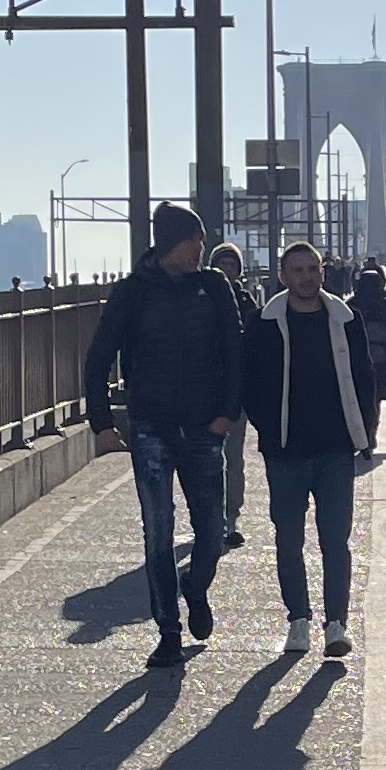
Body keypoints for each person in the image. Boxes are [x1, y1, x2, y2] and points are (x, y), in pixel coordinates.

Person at [81, 202, 244, 668]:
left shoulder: (214, 287)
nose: (201, 250)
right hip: (150, 426)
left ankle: (195, 587)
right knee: (158, 531)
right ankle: (167, 632)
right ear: (172, 242)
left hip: (203, 427)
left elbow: (235, 351)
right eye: (195, 241)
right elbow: (98, 359)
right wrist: (103, 424)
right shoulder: (132, 293)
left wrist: (227, 413)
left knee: (211, 532)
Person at [240, 237, 366, 661]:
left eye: (312, 269)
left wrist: (364, 432)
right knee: (288, 539)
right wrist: (268, 431)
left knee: (336, 539)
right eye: (297, 270)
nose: (307, 277)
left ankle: (336, 624)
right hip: (285, 452)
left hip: (335, 449)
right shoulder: (264, 323)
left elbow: (365, 378)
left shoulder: (346, 319)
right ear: (283, 276)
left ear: (322, 272)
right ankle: (298, 619)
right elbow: (250, 383)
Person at [206, 240, 257, 549]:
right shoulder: (198, 299)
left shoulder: (247, 302)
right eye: (221, 264)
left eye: (231, 265)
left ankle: (230, 519)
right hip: (203, 391)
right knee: (204, 459)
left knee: (233, 456)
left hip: (236, 392)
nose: (227, 270)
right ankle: (208, 518)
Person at [346, 262, 386, 455]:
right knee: (374, 400)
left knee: (356, 398)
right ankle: (370, 434)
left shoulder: (352, 304)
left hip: (355, 359)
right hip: (381, 359)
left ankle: (358, 435)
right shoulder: (385, 305)